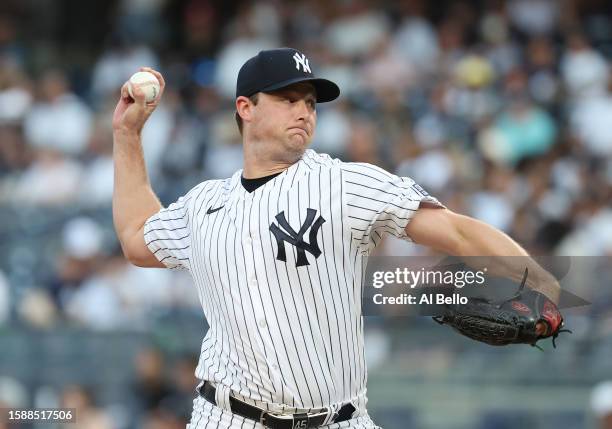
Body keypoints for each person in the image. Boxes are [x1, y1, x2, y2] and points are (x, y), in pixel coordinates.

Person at [112, 48, 559, 429]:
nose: (304, 110)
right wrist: (127, 133)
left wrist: (539, 279)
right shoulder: (203, 204)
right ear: (245, 108)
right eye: (288, 98)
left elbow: (458, 231)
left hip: (336, 418)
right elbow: (136, 238)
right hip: (225, 415)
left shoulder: (345, 185)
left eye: (310, 101)